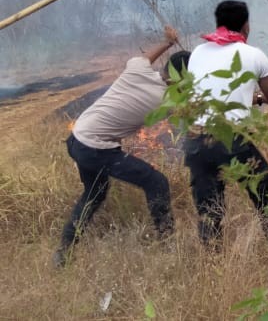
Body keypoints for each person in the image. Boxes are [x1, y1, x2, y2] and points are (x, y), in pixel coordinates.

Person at [55, 26, 190, 267]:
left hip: (77, 137)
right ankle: (169, 247)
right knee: (157, 182)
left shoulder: (137, 70)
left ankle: (64, 252)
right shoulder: (166, 100)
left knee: (94, 194)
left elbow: (146, 58)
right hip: (96, 148)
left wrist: (168, 43)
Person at [182, 0, 268, 249]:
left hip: (195, 141)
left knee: (210, 210)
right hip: (230, 140)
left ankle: (213, 267)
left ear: (218, 24)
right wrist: (261, 94)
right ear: (246, 26)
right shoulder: (253, 54)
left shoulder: (197, 52)